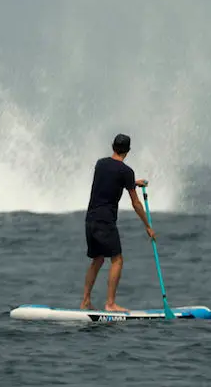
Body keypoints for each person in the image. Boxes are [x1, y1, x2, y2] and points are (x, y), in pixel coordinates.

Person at [81, 133, 156, 312]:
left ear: (112, 146)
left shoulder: (101, 163)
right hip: (105, 221)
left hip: (90, 218)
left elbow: (111, 178)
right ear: (128, 151)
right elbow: (136, 203)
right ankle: (110, 304)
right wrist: (148, 225)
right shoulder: (126, 172)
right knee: (117, 259)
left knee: (98, 259)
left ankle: (85, 301)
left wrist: (132, 182)